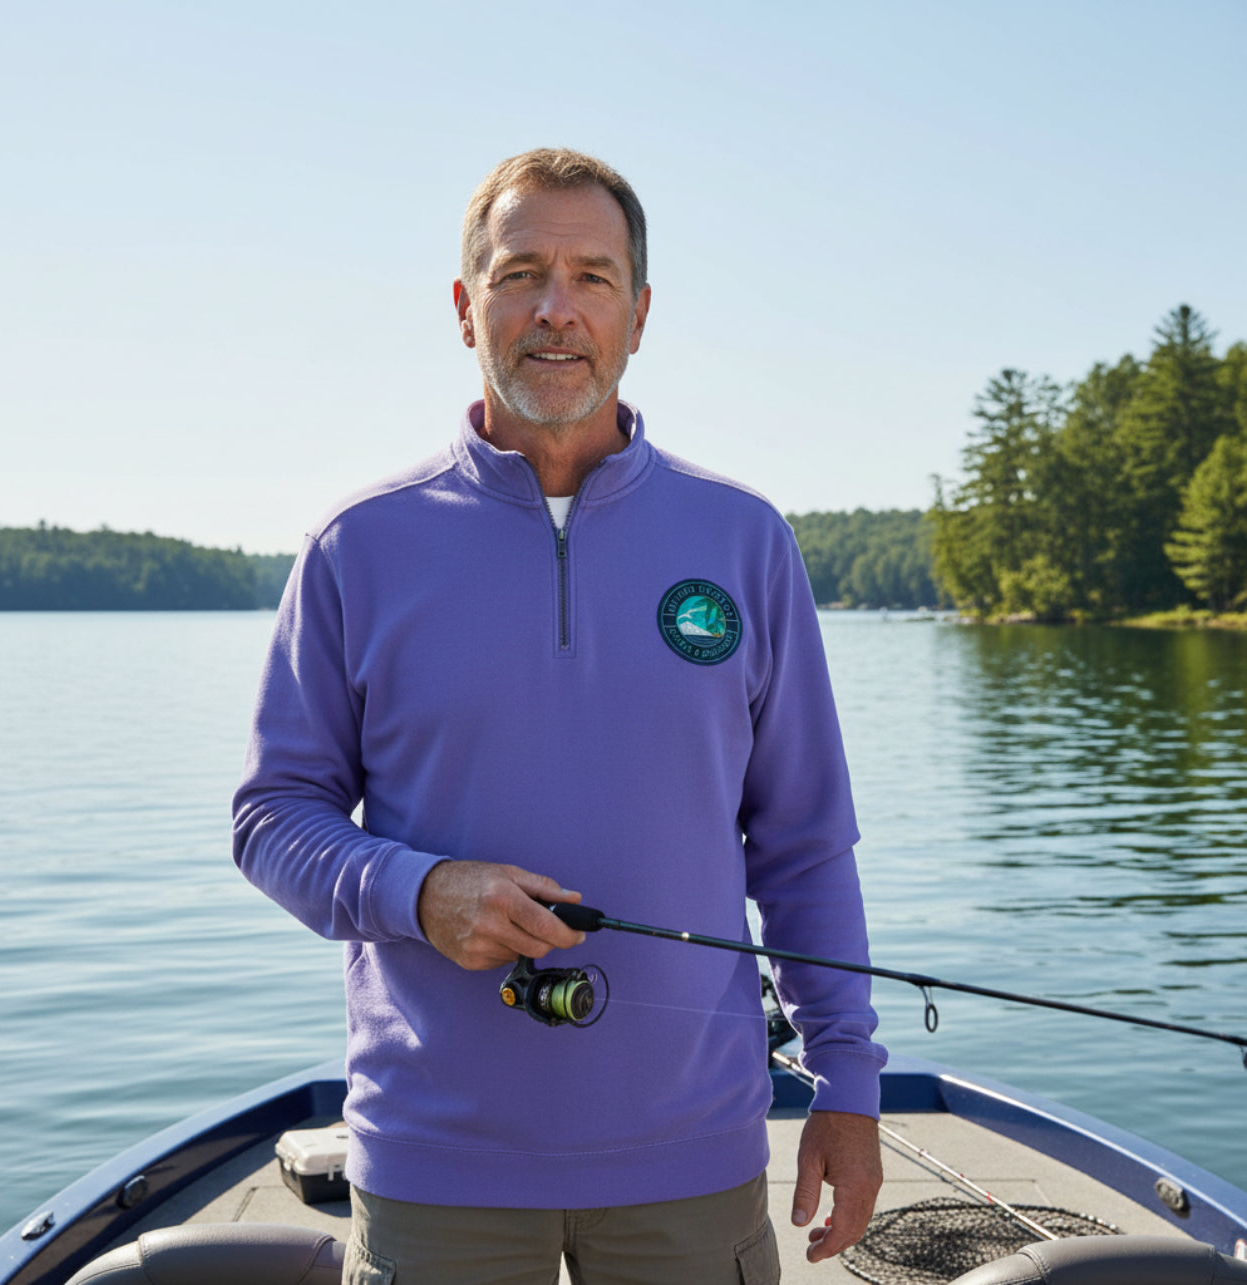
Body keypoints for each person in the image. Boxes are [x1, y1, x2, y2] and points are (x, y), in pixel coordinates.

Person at [233, 147, 886, 1285]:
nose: (554, 309)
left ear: (639, 312)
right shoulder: (358, 545)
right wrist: (416, 890)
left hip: (694, 1162)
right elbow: (272, 815)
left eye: (591, 276)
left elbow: (804, 844)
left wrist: (847, 1084)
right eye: (519, 271)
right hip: (437, 1169)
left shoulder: (744, 539)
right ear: (462, 305)